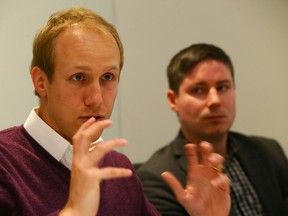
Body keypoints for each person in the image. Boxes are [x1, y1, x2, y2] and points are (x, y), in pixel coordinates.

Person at [0, 8, 230, 216]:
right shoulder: (5, 162)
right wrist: (76, 211)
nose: (96, 99)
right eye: (78, 77)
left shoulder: (119, 167)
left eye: (107, 77)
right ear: (41, 81)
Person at [137, 43, 288, 216]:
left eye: (223, 87)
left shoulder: (269, 151)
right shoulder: (156, 178)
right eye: (199, 90)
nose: (215, 100)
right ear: (173, 100)